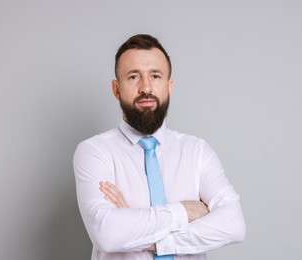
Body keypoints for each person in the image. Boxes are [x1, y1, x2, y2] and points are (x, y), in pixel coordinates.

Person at [73, 34, 245, 260]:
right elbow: (107, 234)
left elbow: (233, 225)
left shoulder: (197, 151)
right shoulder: (94, 152)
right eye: (133, 77)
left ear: (169, 86)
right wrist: (184, 211)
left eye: (155, 76)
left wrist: (147, 235)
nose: (146, 87)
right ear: (116, 89)